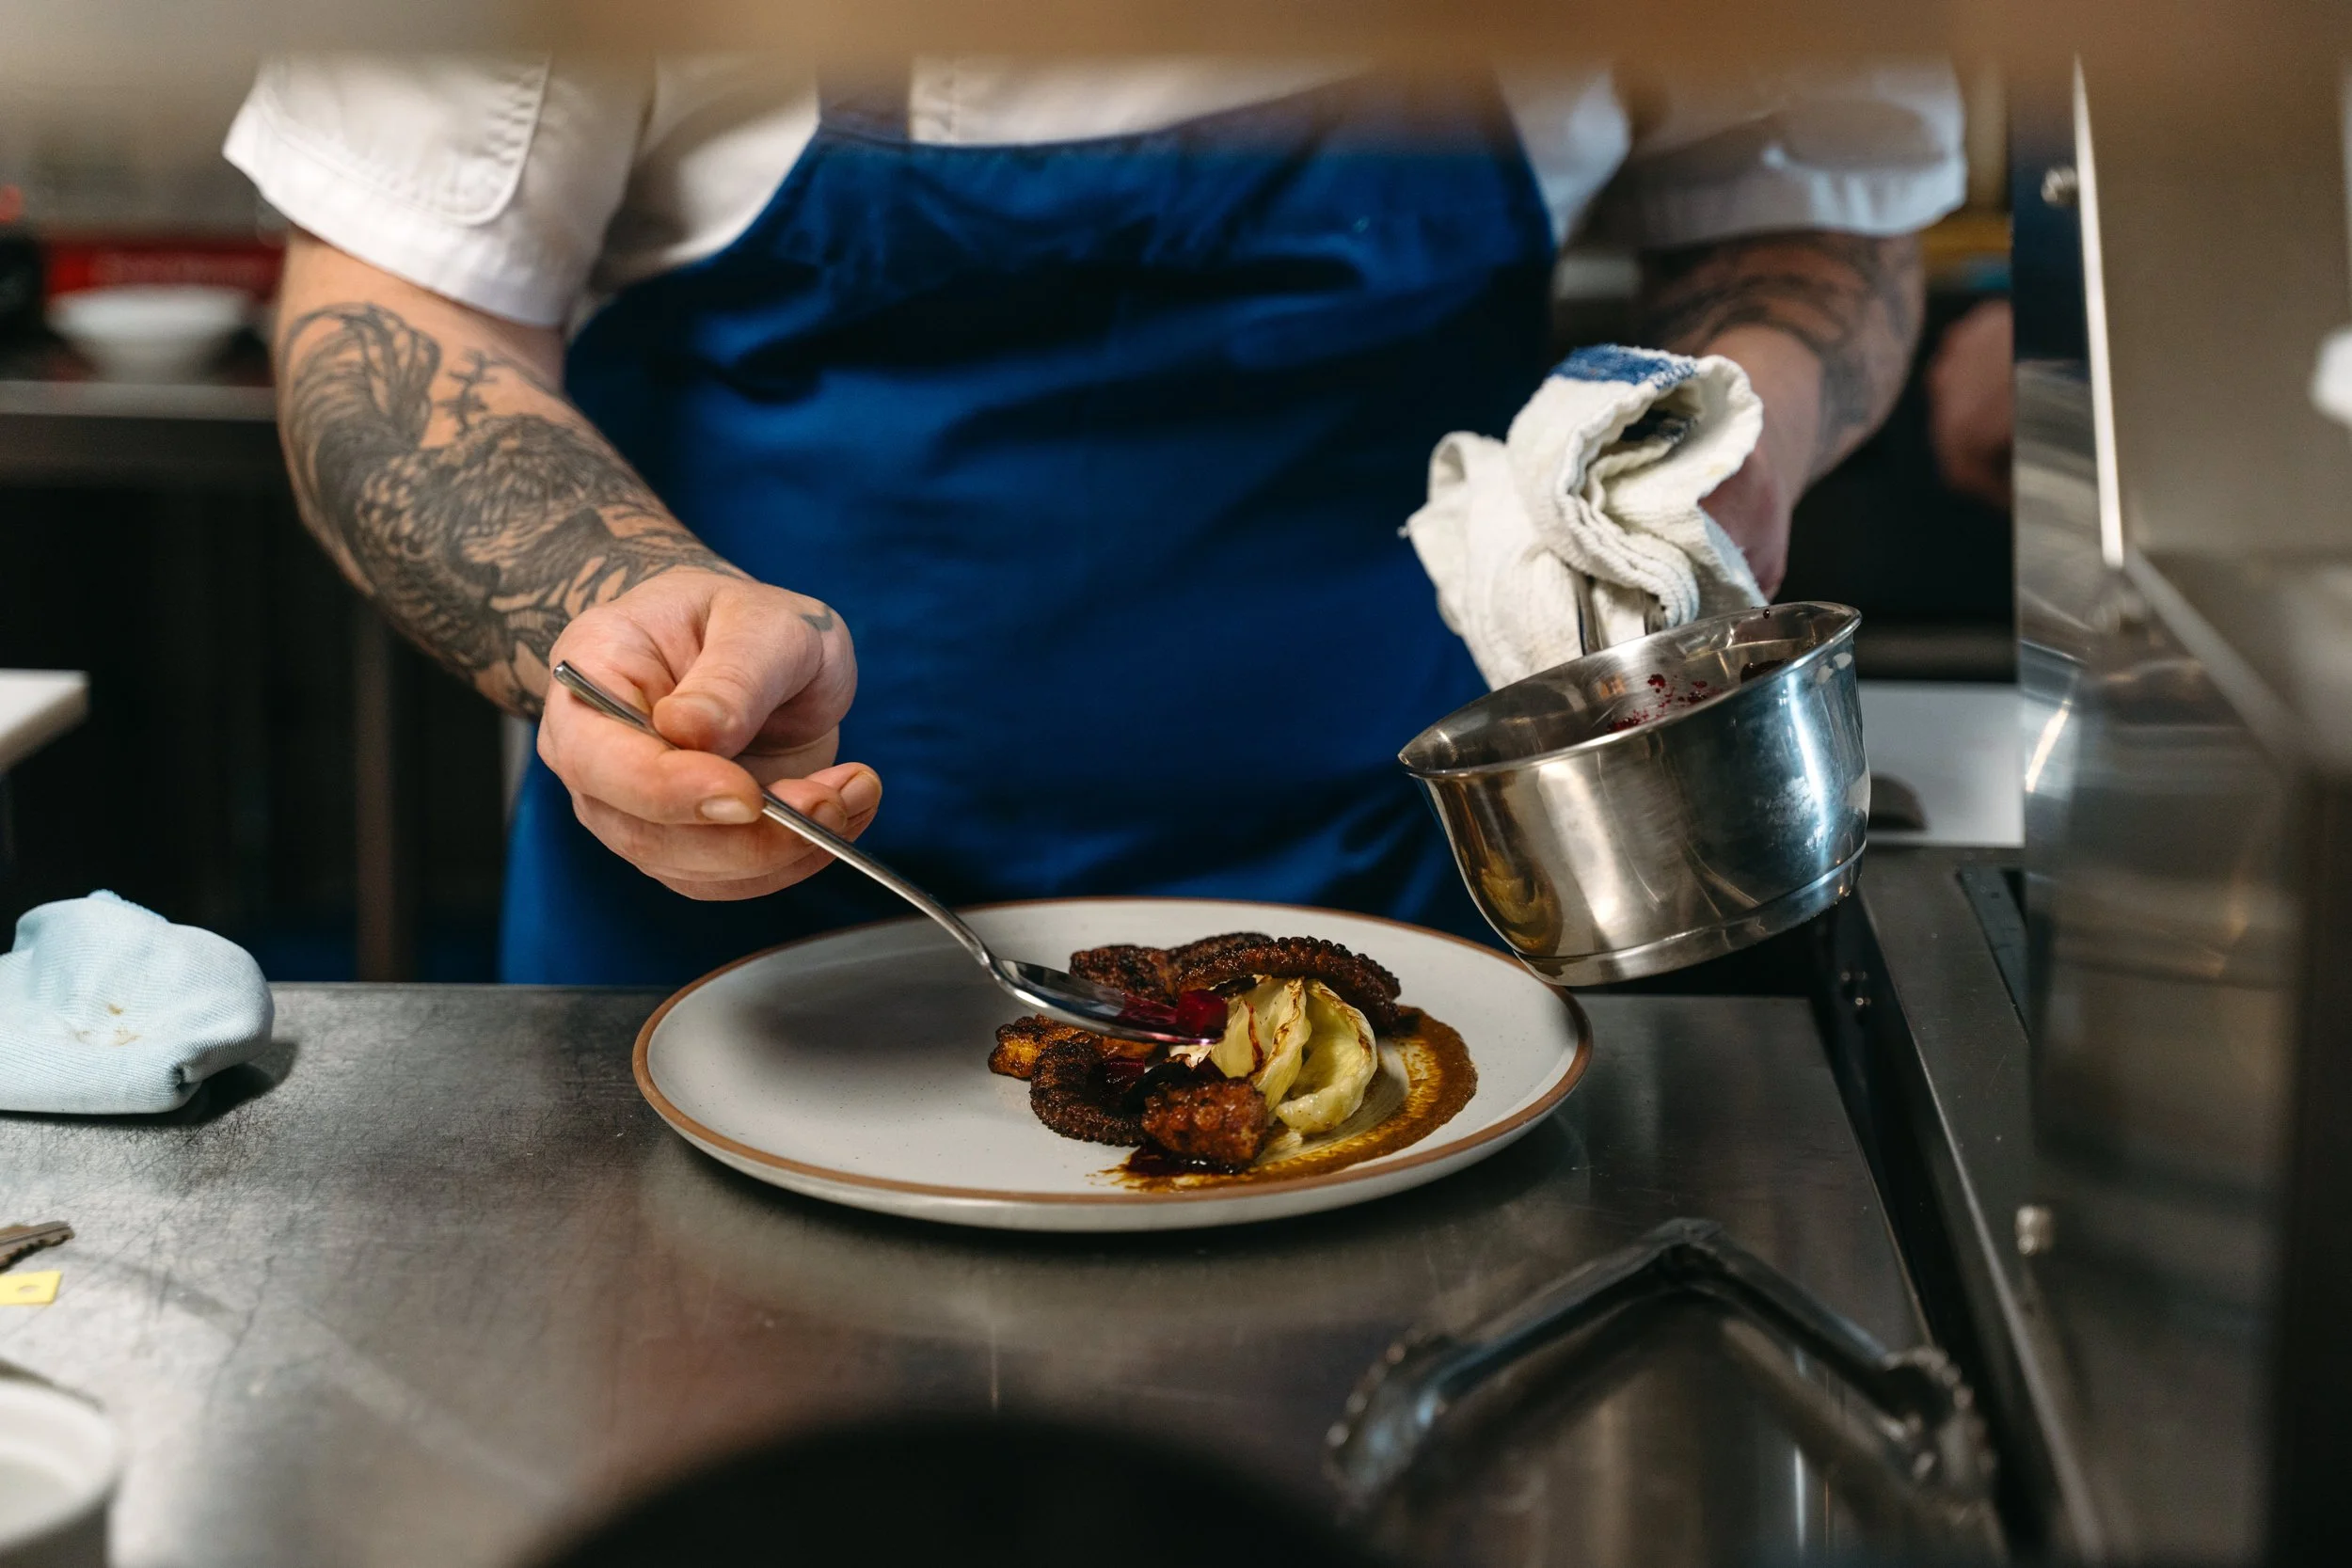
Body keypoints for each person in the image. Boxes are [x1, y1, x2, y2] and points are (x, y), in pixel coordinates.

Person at [227, 58, 1963, 984]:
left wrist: (1718, 445)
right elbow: (386, 316)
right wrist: (623, 602)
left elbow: (1811, 220)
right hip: (745, 917)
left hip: (1435, 915)